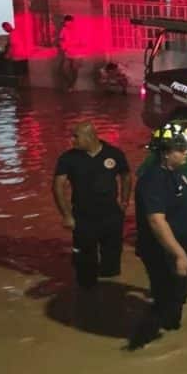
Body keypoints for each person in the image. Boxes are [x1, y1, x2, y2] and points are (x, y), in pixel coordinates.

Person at [130, 122, 187, 347]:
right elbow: (156, 221)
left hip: (178, 246)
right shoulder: (153, 180)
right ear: (166, 153)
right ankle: (153, 336)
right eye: (181, 149)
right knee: (168, 294)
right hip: (163, 249)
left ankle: (168, 323)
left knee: (178, 289)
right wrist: (179, 254)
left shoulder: (174, 172)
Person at [52, 122, 131, 289]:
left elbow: (126, 175)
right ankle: (86, 293)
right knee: (84, 264)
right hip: (83, 218)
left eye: (76, 136)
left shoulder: (114, 154)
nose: (72, 140)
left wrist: (124, 202)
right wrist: (66, 215)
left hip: (111, 216)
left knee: (112, 260)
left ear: (89, 137)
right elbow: (58, 186)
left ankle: (110, 296)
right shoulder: (68, 158)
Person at [58, 15, 81, 91]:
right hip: (67, 52)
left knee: (74, 70)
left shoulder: (78, 29)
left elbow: (82, 41)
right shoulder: (64, 29)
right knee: (63, 69)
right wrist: (62, 46)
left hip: (76, 53)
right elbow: (61, 38)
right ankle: (70, 84)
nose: (67, 24)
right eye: (66, 23)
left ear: (72, 22)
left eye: (69, 23)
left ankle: (72, 85)